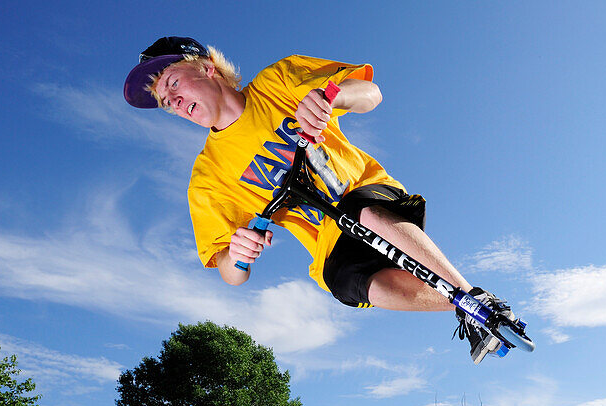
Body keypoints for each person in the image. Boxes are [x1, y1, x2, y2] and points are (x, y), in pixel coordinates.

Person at [124, 37, 515, 364]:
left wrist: (333, 97)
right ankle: (470, 308)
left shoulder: (277, 81)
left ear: (207, 68)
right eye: (164, 102)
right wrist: (238, 254)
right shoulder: (208, 178)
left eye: (173, 83)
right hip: (329, 244)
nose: (172, 101)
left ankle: (475, 298)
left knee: (358, 212)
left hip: (368, 195)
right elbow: (229, 272)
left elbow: (371, 93)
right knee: (351, 284)